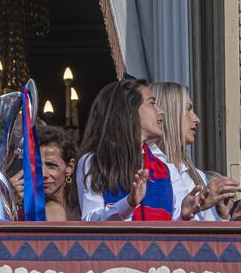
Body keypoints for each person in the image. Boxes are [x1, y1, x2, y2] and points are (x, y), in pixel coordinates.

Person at [76, 77, 207, 221]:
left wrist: (183, 216)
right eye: (152, 103)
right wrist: (128, 204)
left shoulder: (167, 170)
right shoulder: (95, 162)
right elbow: (90, 222)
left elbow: (173, 231)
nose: (161, 112)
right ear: (129, 110)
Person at [150, 81, 239, 220]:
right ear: (167, 112)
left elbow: (209, 237)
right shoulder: (149, 170)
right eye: (188, 109)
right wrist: (199, 207)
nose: (196, 119)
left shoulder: (198, 177)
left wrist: (224, 217)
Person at [36, 124, 80, 221]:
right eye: (37, 166)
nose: (43, 174)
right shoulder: (27, 209)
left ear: (69, 167)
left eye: (52, 165)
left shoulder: (84, 205)